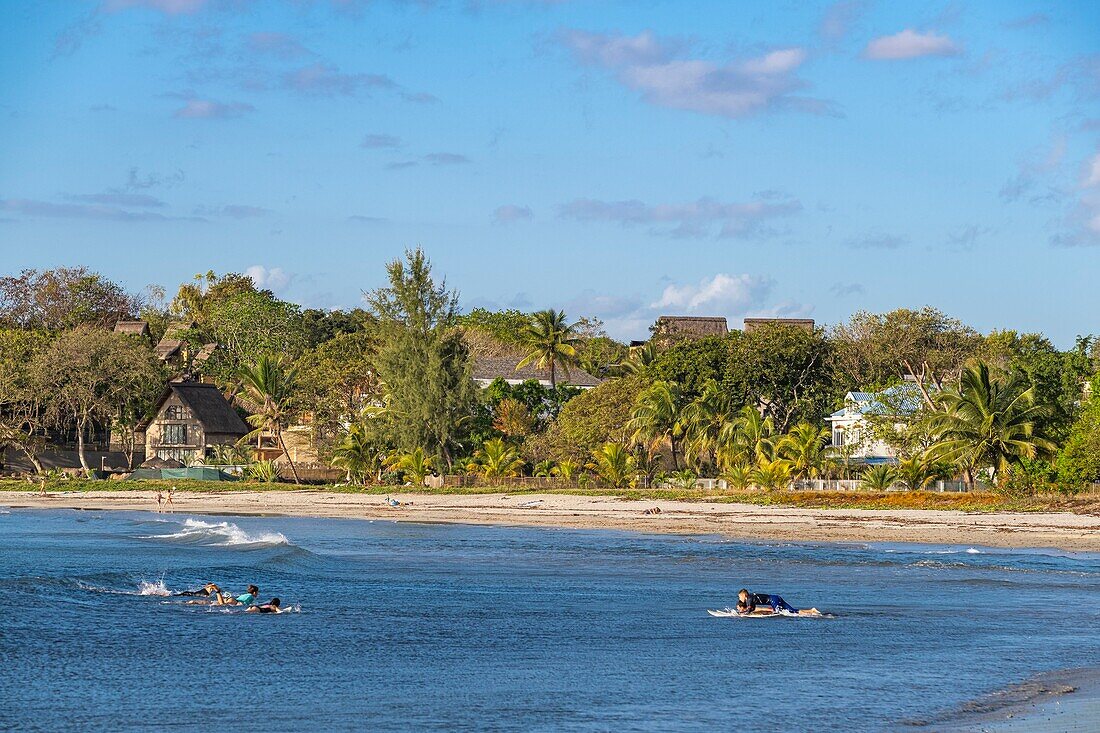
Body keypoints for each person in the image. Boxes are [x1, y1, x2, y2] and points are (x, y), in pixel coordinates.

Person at [736, 588, 820, 616]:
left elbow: (750, 609)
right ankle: (811, 611)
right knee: (792, 611)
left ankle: (809, 614)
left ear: (744, 595)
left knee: (780, 613)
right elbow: (753, 608)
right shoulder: (751, 598)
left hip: (774, 600)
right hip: (775, 598)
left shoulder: (749, 598)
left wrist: (742, 614)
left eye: (740, 596)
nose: (740, 598)